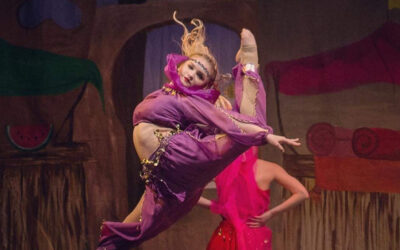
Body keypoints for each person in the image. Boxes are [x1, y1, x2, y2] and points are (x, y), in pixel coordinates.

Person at [97, 11, 300, 249]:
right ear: (183, 63)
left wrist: (265, 135)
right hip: (161, 178)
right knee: (136, 228)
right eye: (192, 67)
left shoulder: (189, 102)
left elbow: (225, 119)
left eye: (200, 75)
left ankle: (249, 66)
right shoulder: (168, 93)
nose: (191, 74)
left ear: (204, 85)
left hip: (177, 156)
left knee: (238, 134)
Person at [198, 146, 309, 250]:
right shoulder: (270, 168)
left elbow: (188, 193)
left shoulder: (221, 169)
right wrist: (271, 213)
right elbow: (302, 193)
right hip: (252, 234)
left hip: (227, 234)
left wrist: (219, 207)